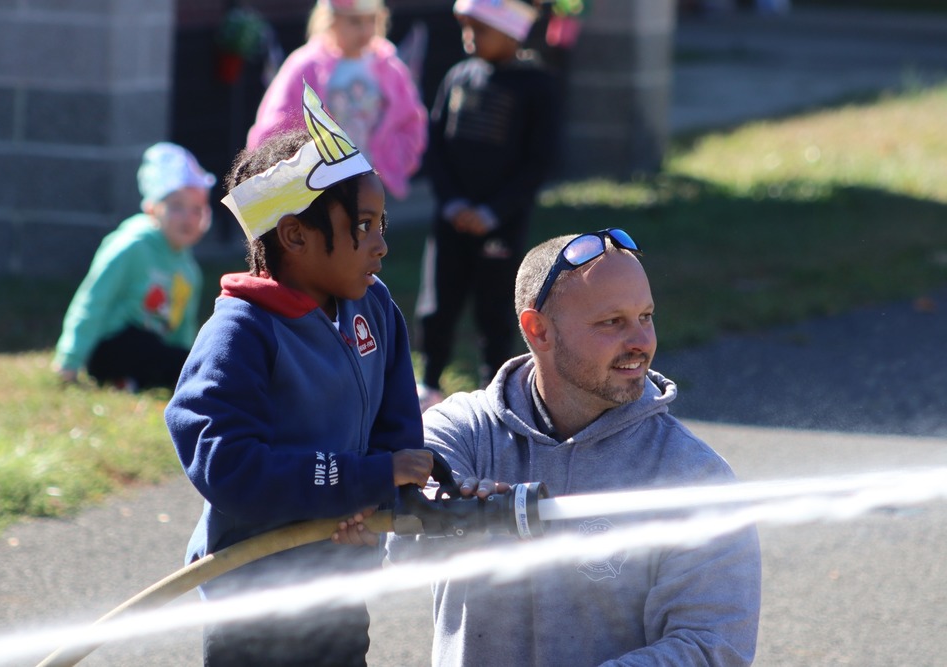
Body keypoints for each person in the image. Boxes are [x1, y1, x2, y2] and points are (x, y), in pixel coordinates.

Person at [395, 229, 762, 665]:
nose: (642, 342)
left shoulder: (690, 474)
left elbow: (711, 647)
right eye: (612, 322)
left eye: (646, 317)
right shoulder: (464, 432)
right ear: (539, 331)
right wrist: (441, 507)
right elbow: (396, 519)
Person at [165, 82, 434, 667]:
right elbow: (228, 467)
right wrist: (358, 480)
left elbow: (396, 430)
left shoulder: (375, 307)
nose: (382, 244)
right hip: (253, 604)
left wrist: (384, 495)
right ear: (295, 235)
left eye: (382, 223)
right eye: (364, 225)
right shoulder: (242, 332)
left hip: (337, 585)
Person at [415, 0, 559, 410]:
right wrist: (453, 202)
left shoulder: (537, 87)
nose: (469, 37)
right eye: (465, 27)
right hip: (452, 219)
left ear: (513, 31)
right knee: (438, 301)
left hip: (500, 224)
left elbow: (538, 161)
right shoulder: (458, 76)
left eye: (479, 28)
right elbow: (436, 146)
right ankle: (429, 382)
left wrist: (493, 211)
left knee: (496, 307)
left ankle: (495, 392)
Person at [53, 142, 215, 391]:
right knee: (143, 347)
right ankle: (126, 378)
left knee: (190, 361)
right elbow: (93, 299)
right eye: (177, 207)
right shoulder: (131, 246)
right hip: (110, 346)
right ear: (152, 209)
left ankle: (134, 383)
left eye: (197, 210)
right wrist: (70, 359)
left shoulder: (189, 269)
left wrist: (185, 361)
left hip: (152, 349)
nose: (188, 219)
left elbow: (182, 326)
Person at [245, 0, 427, 201]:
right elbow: (275, 126)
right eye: (355, 22)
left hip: (374, 183)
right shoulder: (305, 67)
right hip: (320, 189)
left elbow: (411, 119)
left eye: (372, 20)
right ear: (331, 20)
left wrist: (395, 158)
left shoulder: (389, 66)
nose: (365, 30)